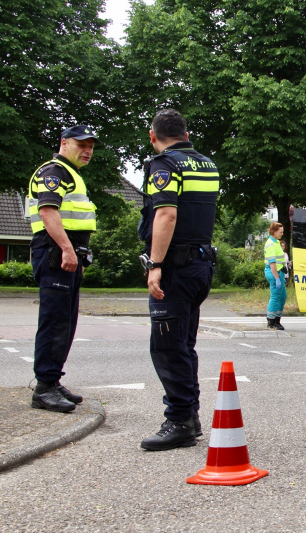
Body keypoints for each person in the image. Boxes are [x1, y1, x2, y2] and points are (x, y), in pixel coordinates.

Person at [139, 109, 219, 451]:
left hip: (176, 267)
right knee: (184, 344)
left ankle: (180, 421)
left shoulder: (164, 165)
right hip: (200, 266)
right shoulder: (207, 165)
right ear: (186, 133)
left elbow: (167, 213)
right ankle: (190, 414)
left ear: (153, 136)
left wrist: (155, 263)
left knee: (168, 346)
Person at [25, 125, 99, 412]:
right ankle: (44, 388)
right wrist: (67, 249)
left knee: (65, 322)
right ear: (64, 143)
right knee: (55, 321)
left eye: (91, 146)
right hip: (56, 252)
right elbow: (48, 211)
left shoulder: (71, 175)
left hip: (67, 254)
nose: (87, 150)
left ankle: (52, 381)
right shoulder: (54, 172)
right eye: (82, 144)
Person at [264, 222, 287, 330]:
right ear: (274, 232)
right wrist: (277, 278)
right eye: (280, 232)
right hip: (274, 272)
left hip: (279, 271)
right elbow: (272, 263)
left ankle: (277, 319)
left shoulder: (276, 242)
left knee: (282, 297)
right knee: (276, 296)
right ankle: (271, 321)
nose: (282, 234)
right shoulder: (271, 244)